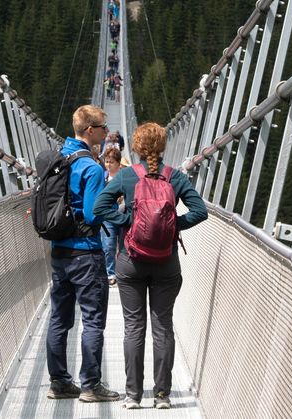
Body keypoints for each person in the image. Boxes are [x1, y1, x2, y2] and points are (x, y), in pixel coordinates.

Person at [94, 122, 207, 410]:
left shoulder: (127, 176)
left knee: (133, 328)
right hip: (166, 262)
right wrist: (172, 228)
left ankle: (133, 396)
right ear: (163, 147)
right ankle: (162, 396)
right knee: (162, 327)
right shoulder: (175, 177)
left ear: (137, 148)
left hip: (131, 261)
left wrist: (128, 223)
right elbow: (200, 212)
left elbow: (99, 208)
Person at [45, 105, 121, 403]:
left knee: (59, 319)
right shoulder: (91, 167)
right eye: (104, 128)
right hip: (86, 254)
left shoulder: (58, 157)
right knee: (92, 320)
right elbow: (91, 215)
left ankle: (59, 382)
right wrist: (113, 211)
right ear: (90, 130)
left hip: (59, 252)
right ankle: (90, 384)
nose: (108, 134)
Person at [99, 146, 125, 286]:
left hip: (123, 216)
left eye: (111, 162)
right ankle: (111, 273)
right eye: (107, 161)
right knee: (108, 246)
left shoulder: (125, 176)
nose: (108, 165)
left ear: (118, 163)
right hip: (107, 217)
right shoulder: (101, 176)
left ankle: (121, 272)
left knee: (123, 245)